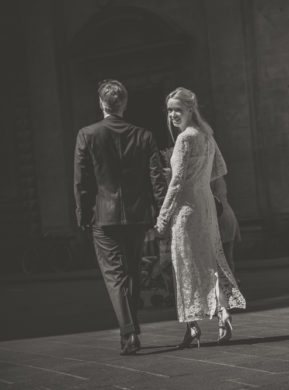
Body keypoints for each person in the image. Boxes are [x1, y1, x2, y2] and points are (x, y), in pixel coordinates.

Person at [73, 79, 167, 355]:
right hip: (138, 216)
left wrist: (81, 213)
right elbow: (156, 179)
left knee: (115, 276)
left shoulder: (86, 134)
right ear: (124, 103)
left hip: (103, 217)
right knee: (133, 273)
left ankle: (128, 334)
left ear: (101, 104)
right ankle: (133, 328)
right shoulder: (144, 135)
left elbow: (81, 181)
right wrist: (163, 211)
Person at [154, 87, 246, 348]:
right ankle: (223, 315)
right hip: (205, 205)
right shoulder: (207, 136)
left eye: (177, 109)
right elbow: (219, 170)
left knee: (184, 266)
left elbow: (177, 183)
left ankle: (192, 328)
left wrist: (163, 216)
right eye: (170, 109)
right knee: (210, 264)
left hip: (187, 210)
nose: (172, 114)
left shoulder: (185, 139)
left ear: (189, 110)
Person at [211, 176, 241, 276]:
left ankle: (230, 284)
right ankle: (232, 282)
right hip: (227, 214)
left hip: (220, 216)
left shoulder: (212, 178)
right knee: (228, 256)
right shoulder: (219, 177)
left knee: (223, 257)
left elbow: (216, 200)